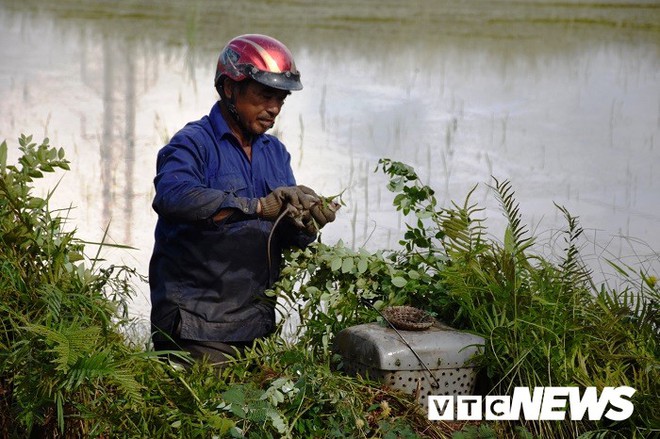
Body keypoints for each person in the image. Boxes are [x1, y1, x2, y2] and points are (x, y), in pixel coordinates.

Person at [149, 34, 336, 364]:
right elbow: (173, 196)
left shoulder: (275, 153)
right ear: (229, 88)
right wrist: (257, 206)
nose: (274, 108)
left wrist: (305, 223)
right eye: (265, 95)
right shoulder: (192, 144)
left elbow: (284, 230)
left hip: (257, 325)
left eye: (281, 99)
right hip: (196, 325)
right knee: (222, 413)